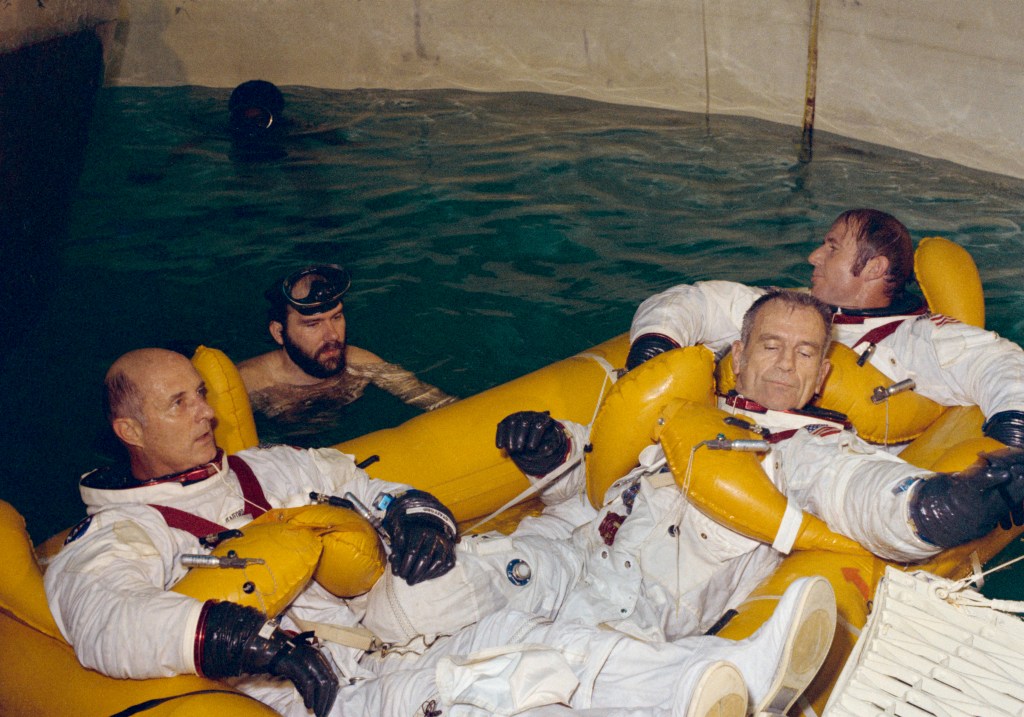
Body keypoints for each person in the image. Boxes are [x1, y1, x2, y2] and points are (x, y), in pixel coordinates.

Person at [44, 346, 839, 717]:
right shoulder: (116, 538)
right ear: (128, 428)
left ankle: (725, 670)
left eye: (200, 394)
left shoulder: (264, 473)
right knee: (491, 690)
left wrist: (413, 514)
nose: (207, 412)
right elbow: (107, 622)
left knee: (526, 636)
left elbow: (364, 479)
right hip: (316, 695)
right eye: (179, 404)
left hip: (383, 637)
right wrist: (253, 641)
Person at [361, 291, 1024, 716]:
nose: (785, 366)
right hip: (559, 548)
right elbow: (597, 469)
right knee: (413, 597)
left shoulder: (810, 449)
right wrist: (547, 448)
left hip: (631, 603)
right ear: (738, 355)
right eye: (770, 345)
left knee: (546, 673)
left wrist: (956, 501)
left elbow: (874, 496)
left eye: (804, 354)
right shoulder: (678, 406)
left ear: (824, 375)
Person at [626, 208, 1024, 449]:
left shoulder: (917, 339)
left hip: (819, 478)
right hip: (712, 439)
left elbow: (1000, 364)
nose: (814, 256)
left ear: (874, 269)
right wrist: (652, 352)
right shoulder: (785, 311)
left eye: (832, 247)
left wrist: (1014, 436)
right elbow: (691, 301)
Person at [237, 264, 457, 431]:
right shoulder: (250, 384)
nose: (332, 335)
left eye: (337, 317)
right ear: (278, 333)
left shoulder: (360, 364)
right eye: (313, 324)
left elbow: (438, 403)